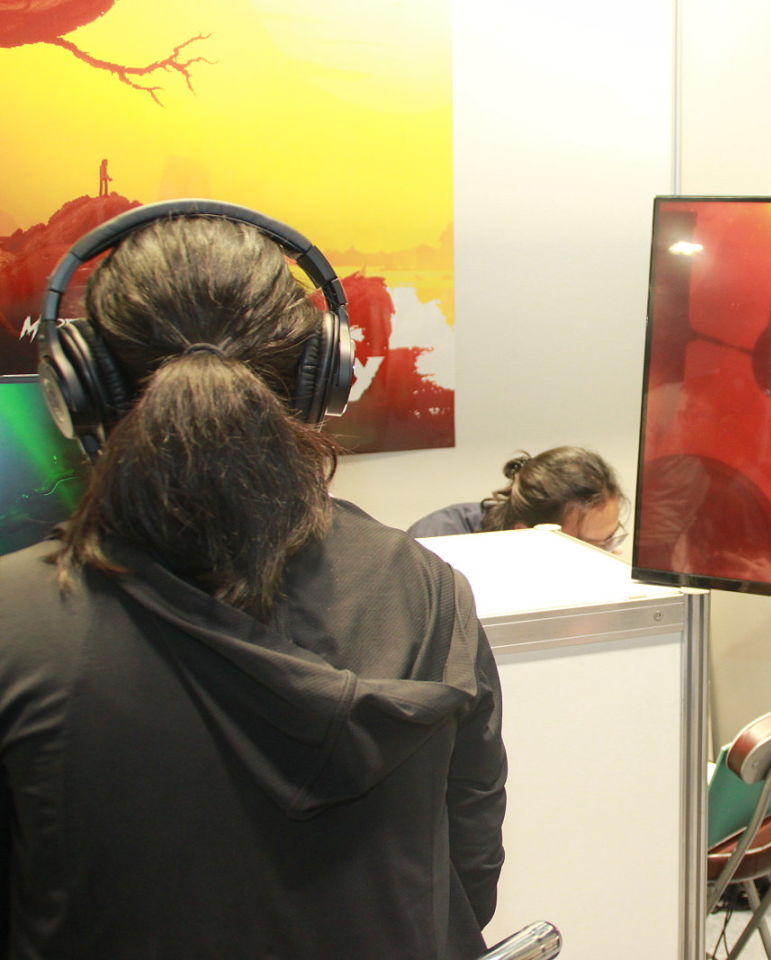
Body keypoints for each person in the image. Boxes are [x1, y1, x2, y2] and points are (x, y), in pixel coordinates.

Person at [0, 211, 505, 958]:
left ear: (81, 387)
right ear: (320, 378)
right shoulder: (424, 588)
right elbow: (469, 876)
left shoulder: (15, 621)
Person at [408, 445, 627, 552]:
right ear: (526, 534)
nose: (605, 554)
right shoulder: (437, 547)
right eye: (593, 546)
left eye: (610, 540)